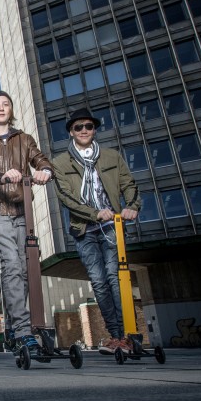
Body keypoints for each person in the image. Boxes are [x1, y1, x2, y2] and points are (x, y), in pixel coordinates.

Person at [0, 90, 54, 356]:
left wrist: (45, 171)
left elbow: (41, 160)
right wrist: (1, 175)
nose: (2, 108)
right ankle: (23, 330)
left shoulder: (24, 139)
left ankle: (14, 325)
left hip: (22, 209)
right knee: (12, 263)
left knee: (27, 268)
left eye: (6, 104)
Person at [51, 107, 141, 354]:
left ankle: (128, 335)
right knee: (99, 282)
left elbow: (129, 184)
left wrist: (132, 206)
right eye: (78, 127)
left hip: (112, 226)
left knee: (116, 278)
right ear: (71, 132)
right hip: (84, 230)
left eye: (88, 126)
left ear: (94, 130)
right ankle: (116, 335)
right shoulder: (59, 163)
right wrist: (94, 213)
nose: (84, 130)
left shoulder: (112, 156)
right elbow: (66, 198)